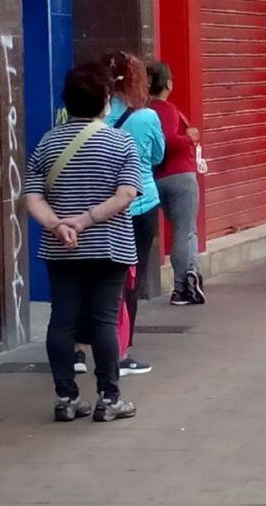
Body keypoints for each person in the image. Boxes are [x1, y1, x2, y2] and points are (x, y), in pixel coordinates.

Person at [23, 63, 141, 423]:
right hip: (110, 245)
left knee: (62, 320)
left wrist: (58, 226)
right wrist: (86, 220)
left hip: (61, 248)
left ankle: (66, 398)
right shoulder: (121, 142)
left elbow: (32, 197)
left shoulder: (47, 142)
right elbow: (126, 194)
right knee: (105, 320)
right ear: (105, 101)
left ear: (67, 101)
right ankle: (109, 398)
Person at [103, 51, 164, 376]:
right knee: (131, 278)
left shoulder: (95, 118)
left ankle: (83, 349)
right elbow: (157, 156)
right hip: (140, 204)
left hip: (102, 207)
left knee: (97, 278)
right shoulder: (147, 117)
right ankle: (122, 351)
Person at [148, 62, 207, 307]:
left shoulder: (144, 112)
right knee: (185, 231)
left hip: (158, 177)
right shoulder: (166, 110)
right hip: (180, 176)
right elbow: (168, 142)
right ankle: (182, 286)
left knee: (184, 230)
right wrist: (189, 138)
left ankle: (191, 272)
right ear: (169, 84)